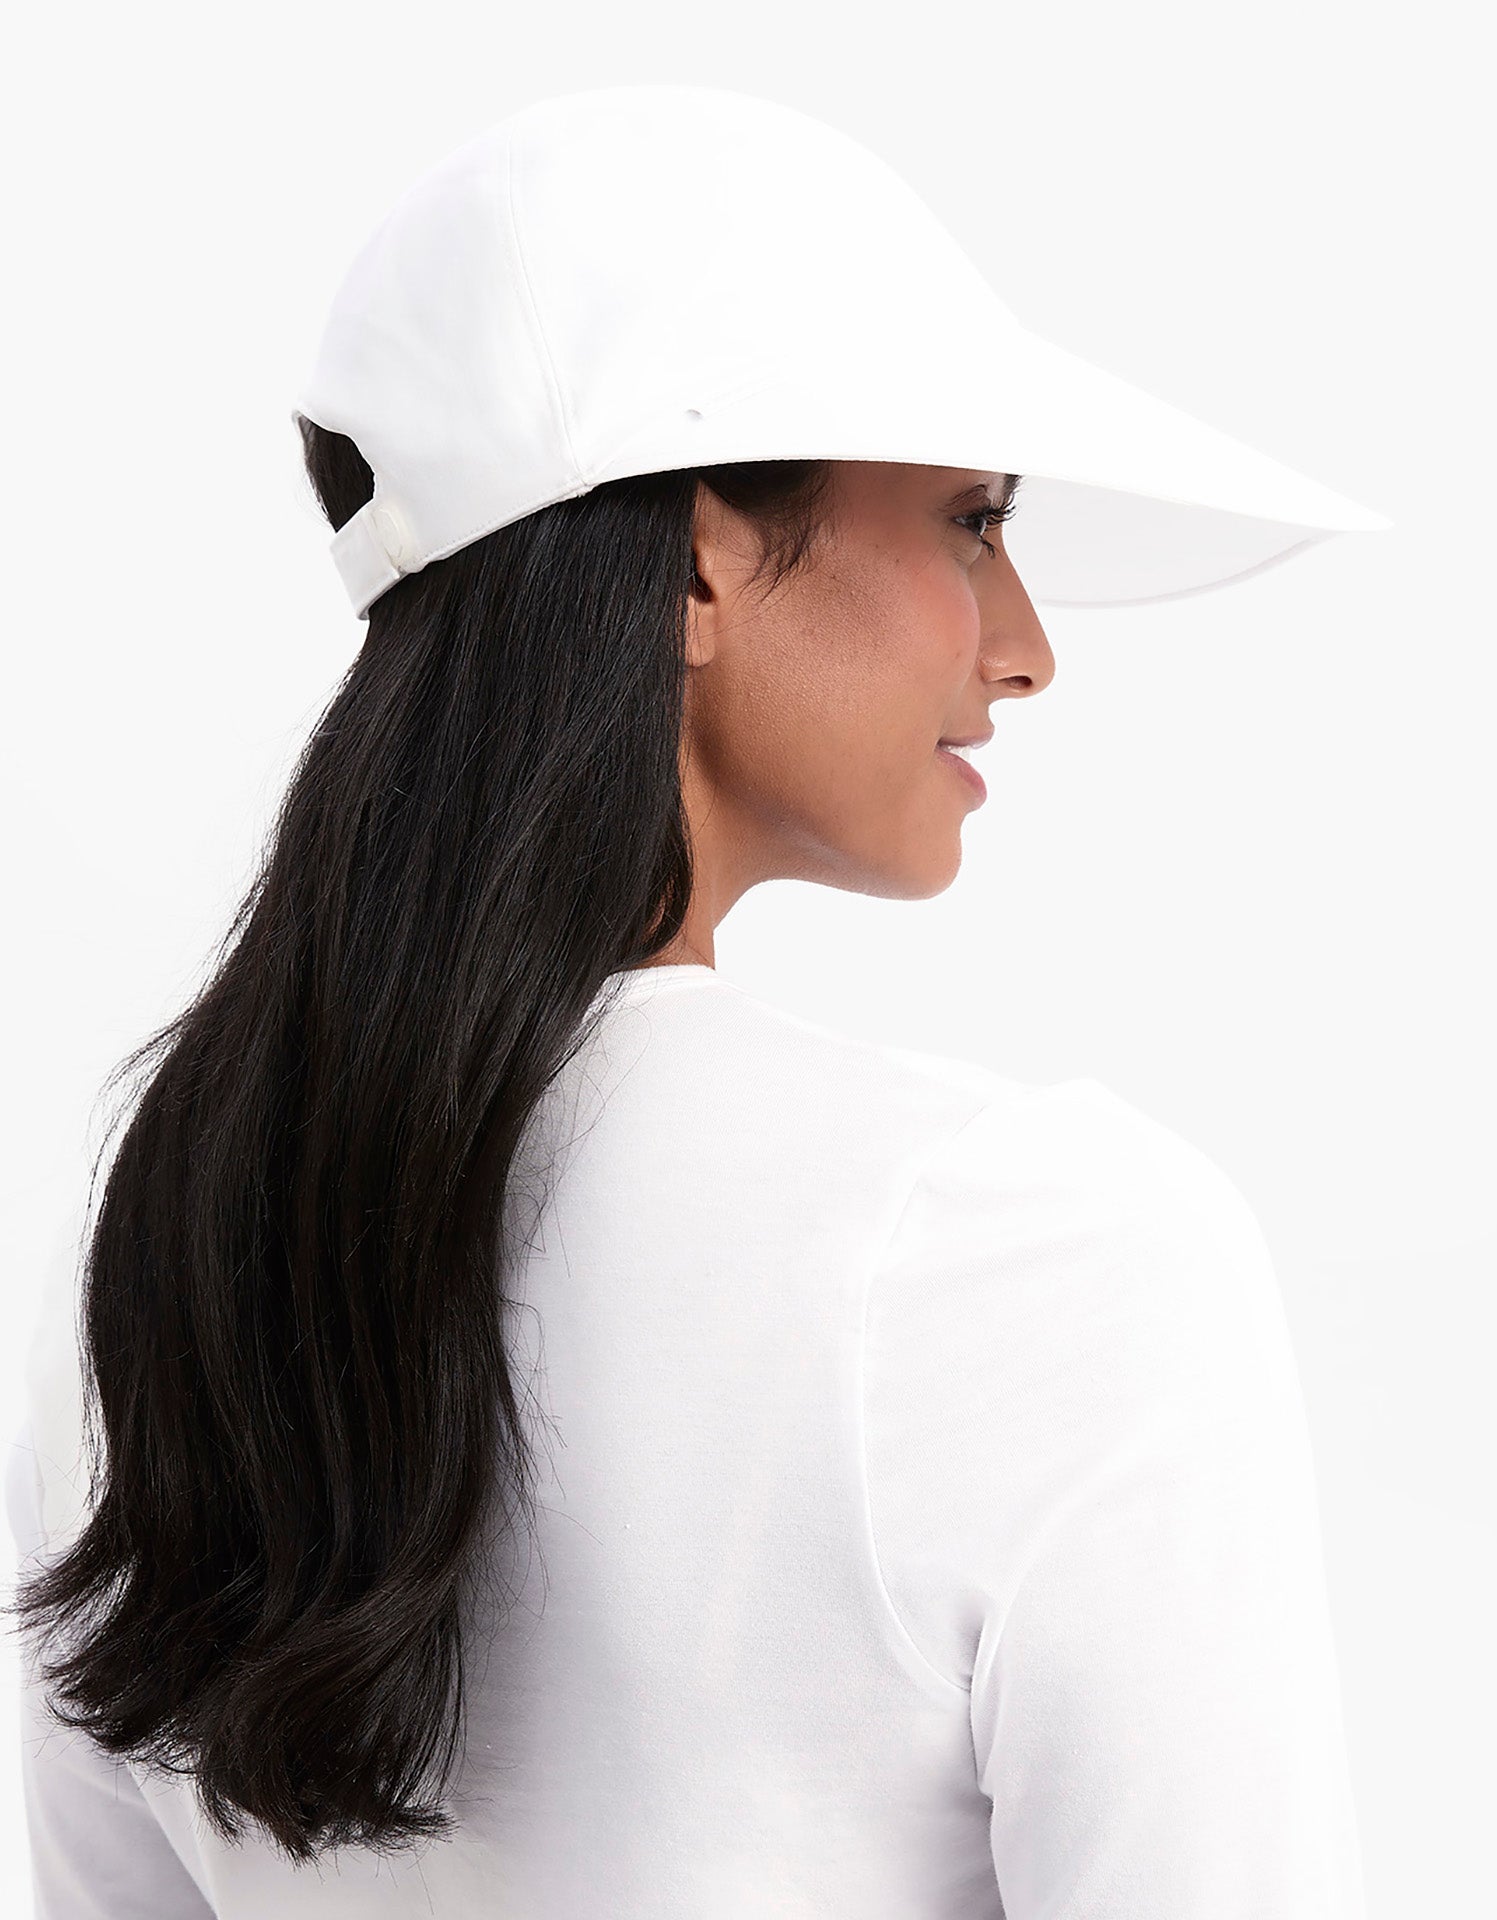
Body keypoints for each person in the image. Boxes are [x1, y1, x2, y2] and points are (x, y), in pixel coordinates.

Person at [3, 85, 1379, 1918]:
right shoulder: (1019, 1245)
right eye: (972, 520)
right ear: (696, 556)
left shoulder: (161, 1264)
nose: (1026, 646)